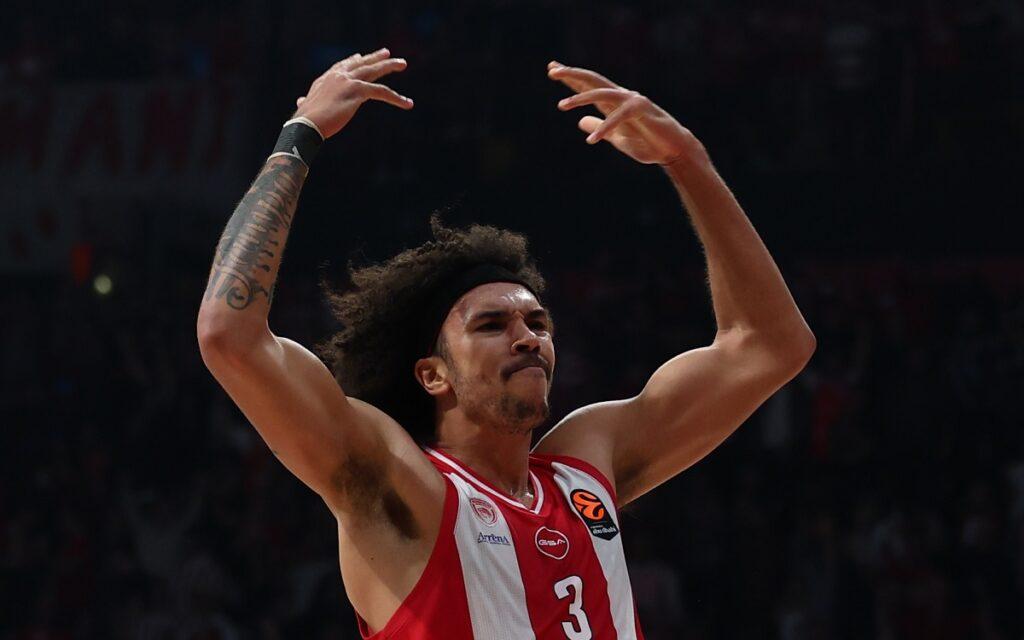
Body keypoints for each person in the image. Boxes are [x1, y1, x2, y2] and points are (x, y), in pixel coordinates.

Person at [196, 47, 816, 639]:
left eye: (538, 323)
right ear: (433, 374)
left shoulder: (586, 462)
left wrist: (689, 163)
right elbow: (229, 335)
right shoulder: (400, 486)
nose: (527, 338)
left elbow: (771, 346)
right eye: (492, 325)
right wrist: (299, 136)